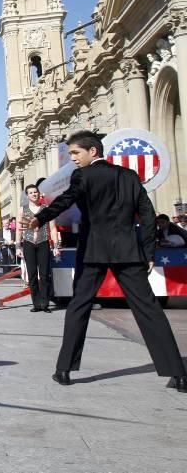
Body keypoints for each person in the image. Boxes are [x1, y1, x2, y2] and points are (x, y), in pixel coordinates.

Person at [27, 130, 186, 391]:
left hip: (93, 251)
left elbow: (66, 200)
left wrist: (40, 217)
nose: (73, 159)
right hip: (128, 250)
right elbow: (147, 214)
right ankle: (177, 372)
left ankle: (64, 369)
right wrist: (148, 251)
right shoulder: (128, 177)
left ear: (93, 151)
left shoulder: (83, 176)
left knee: (79, 306)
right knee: (148, 309)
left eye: (76, 153)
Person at [17, 185, 61, 312]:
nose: (34, 194)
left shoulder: (46, 209)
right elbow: (19, 230)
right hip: (29, 243)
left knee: (44, 274)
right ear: (27, 195)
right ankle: (36, 303)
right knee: (32, 275)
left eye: (35, 192)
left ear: (39, 193)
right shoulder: (22, 210)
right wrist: (18, 246)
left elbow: (52, 228)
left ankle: (45, 303)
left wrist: (56, 246)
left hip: (43, 242)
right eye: (30, 193)